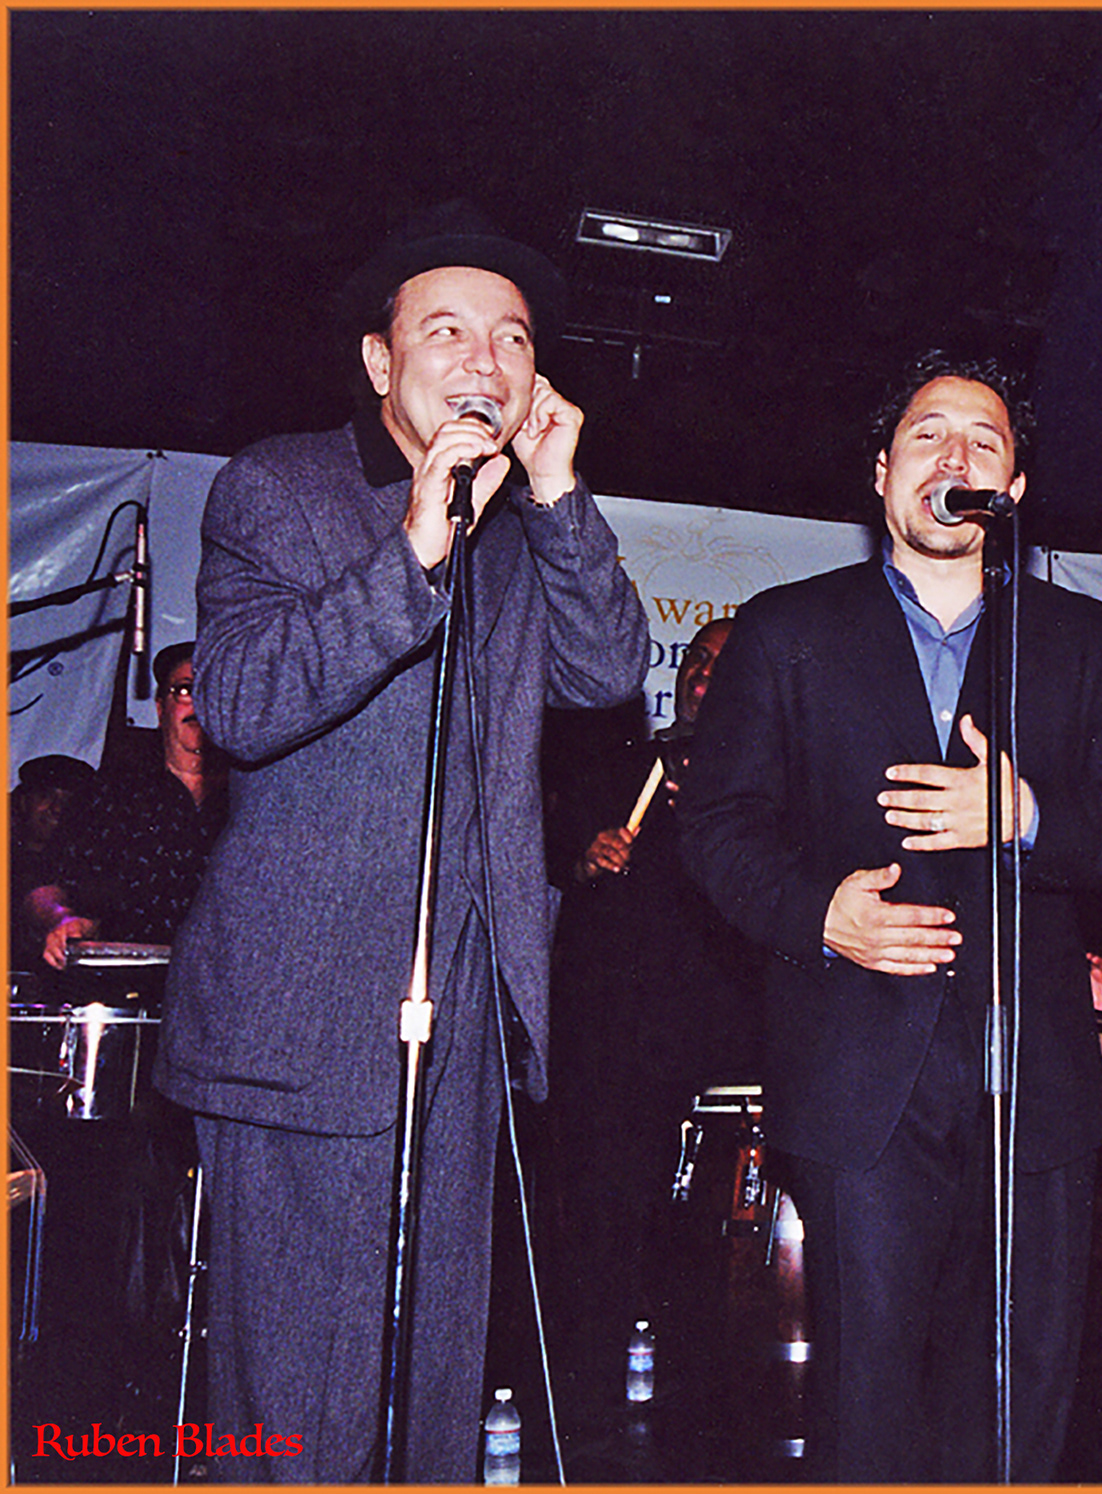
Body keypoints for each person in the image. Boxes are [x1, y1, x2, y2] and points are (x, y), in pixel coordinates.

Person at [153, 201, 649, 1482]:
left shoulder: (527, 523)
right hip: (303, 1023)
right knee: (295, 1413)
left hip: (463, 1024)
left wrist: (559, 494)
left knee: (429, 1401)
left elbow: (607, 671)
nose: (486, 359)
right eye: (448, 332)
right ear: (381, 360)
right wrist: (416, 551)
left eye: (514, 340)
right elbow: (241, 704)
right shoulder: (281, 487)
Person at [676, 351, 1102, 1481]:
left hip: (1037, 1077)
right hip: (858, 1073)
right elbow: (715, 827)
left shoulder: (1082, 639)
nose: (955, 456)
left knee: (1020, 1404)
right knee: (871, 1409)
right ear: (881, 472)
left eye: (983, 442)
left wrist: (1028, 813)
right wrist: (820, 914)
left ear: (1014, 488)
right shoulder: (787, 629)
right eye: (928, 435)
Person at [538, 615, 761, 1412]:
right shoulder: (626, 763)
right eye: (695, 658)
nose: (701, 672)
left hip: (716, 1050)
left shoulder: (762, 783)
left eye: (720, 664)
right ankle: (587, 1406)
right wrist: (583, 857)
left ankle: (699, 1410)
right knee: (600, 1222)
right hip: (614, 1041)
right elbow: (546, 845)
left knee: (701, 1235)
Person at [26, 643, 227, 970]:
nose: (199, 704)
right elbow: (45, 886)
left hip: (227, 985)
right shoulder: (110, 794)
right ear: (160, 709)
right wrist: (64, 922)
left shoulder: (255, 798)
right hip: (126, 983)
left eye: (213, 691)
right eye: (185, 690)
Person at [9, 753, 94, 966]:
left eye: (69, 800)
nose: (57, 808)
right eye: (46, 796)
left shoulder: (87, 865)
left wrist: (66, 923)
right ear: (23, 801)